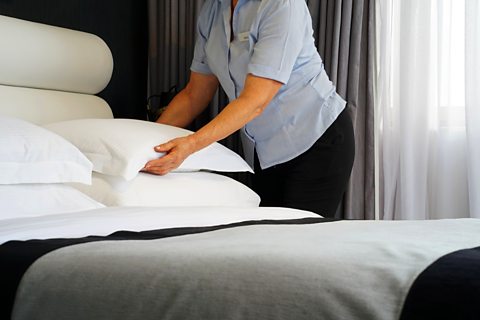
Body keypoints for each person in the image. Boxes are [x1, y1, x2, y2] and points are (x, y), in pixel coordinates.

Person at [143, 0, 355, 218]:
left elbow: (255, 101)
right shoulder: (212, 12)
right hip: (266, 152)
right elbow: (193, 95)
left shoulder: (282, 5)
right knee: (267, 243)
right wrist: (145, 141)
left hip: (316, 141)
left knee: (297, 245)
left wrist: (190, 145)